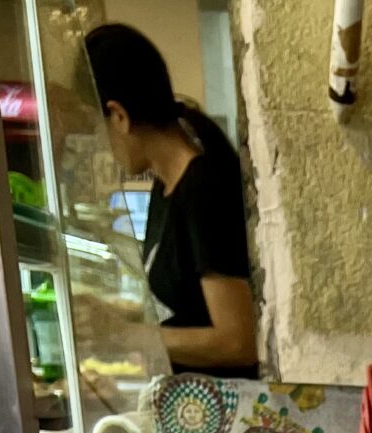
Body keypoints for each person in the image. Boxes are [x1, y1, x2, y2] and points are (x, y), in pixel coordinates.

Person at [85, 23, 255, 375]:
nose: (100, 145)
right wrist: (117, 320)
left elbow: (237, 341)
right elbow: (191, 307)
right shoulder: (167, 187)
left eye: (95, 127)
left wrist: (126, 336)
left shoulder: (203, 189)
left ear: (119, 116)